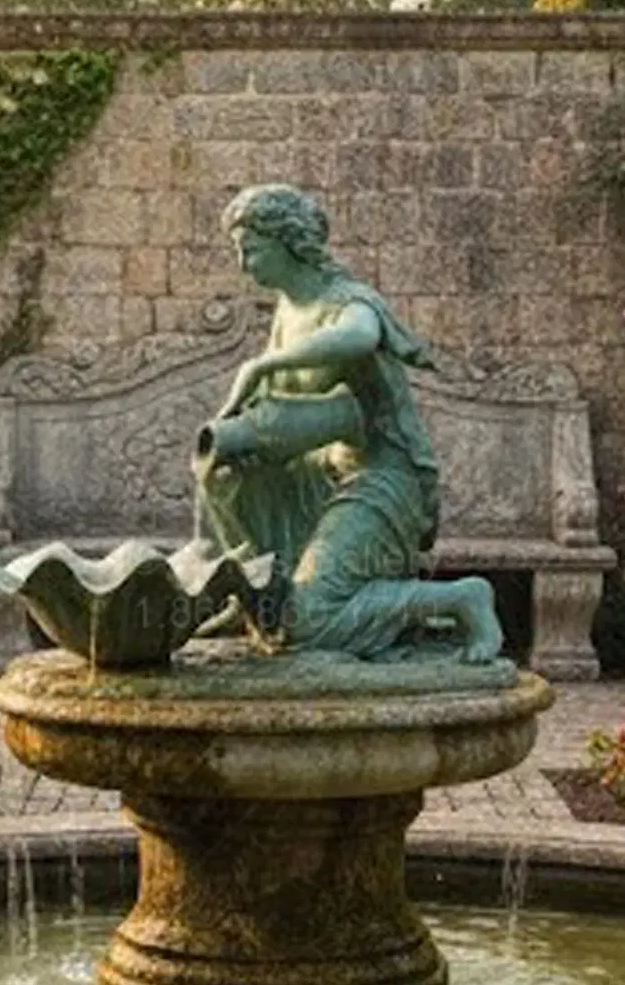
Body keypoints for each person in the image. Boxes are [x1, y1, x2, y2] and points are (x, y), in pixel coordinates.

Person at [193, 184, 503, 663]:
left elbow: (361, 336)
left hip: (381, 481)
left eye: (250, 250)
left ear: (289, 242)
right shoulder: (287, 309)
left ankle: (461, 598)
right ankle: (250, 590)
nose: (242, 264)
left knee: (308, 622)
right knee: (224, 471)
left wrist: (262, 365)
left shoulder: (350, 301)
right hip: (320, 473)